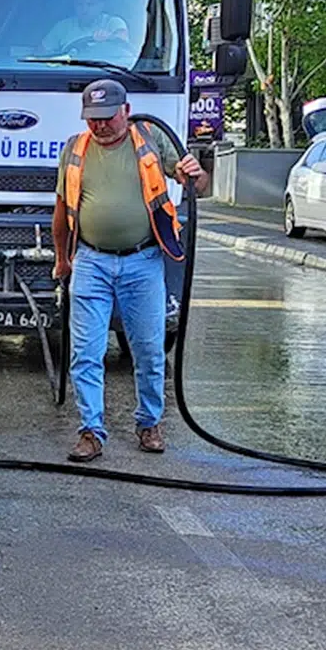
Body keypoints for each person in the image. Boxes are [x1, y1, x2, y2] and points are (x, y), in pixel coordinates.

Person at [52, 79, 208, 462]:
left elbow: (198, 186)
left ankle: (149, 423)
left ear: (126, 110)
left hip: (143, 262)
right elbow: (61, 209)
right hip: (90, 262)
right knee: (86, 353)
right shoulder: (74, 149)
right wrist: (61, 258)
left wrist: (195, 172)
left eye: (108, 117)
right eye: (93, 118)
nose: (100, 125)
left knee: (149, 350)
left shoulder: (151, 139)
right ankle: (91, 430)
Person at [41, 0, 129, 55]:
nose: (84, 9)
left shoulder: (113, 23)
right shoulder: (62, 27)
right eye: (80, 4)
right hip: (69, 71)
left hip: (106, 71)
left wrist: (110, 37)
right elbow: (41, 53)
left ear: (101, 6)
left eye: (90, 4)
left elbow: (123, 41)